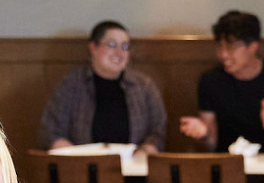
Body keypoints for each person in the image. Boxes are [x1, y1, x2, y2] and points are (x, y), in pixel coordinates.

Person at [179, 11, 264, 153]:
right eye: (220, 46)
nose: (224, 54)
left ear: (253, 47)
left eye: (231, 47)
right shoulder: (210, 81)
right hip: (226, 165)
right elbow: (211, 144)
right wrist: (204, 134)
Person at [39, 20, 168, 153]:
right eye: (111, 45)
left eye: (124, 46)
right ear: (93, 48)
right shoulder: (72, 84)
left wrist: (145, 152)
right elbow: (51, 132)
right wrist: (76, 159)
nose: (119, 53)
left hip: (134, 169)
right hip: (84, 168)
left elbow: (158, 134)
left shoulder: (145, 86)